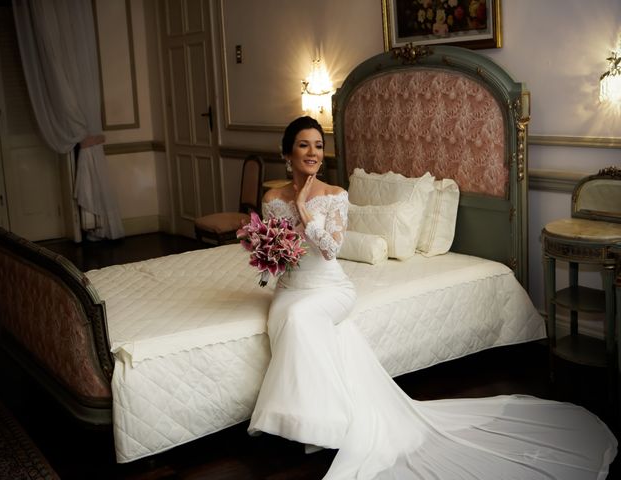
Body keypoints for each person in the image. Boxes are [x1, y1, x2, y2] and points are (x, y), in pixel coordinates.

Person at [248, 116, 617, 479]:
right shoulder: (271, 199)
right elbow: (281, 255)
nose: (312, 152)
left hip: (331, 288)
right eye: (303, 144)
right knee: (284, 315)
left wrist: (303, 208)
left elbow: (331, 250)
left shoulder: (335, 196)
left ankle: (313, 427)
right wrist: (268, 252)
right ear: (287, 153)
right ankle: (303, 419)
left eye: (318, 145)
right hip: (291, 288)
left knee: (299, 319)